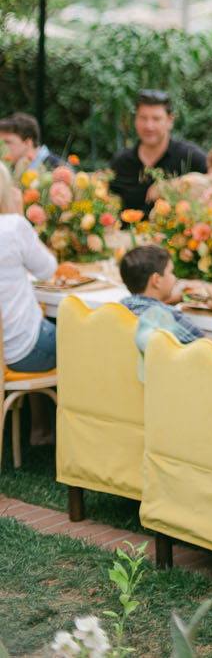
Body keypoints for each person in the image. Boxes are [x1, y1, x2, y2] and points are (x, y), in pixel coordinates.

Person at [0, 161, 58, 442]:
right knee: (82, 339)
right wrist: (18, 213)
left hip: (6, 349)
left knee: (37, 322)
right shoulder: (12, 226)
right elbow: (48, 269)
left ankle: (40, 427)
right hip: (21, 353)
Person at [110, 91, 208, 217]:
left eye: (156, 119)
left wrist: (174, 185)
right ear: (135, 120)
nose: (149, 126)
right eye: (143, 118)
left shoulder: (190, 156)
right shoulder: (120, 162)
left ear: (170, 121)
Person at [119, 244, 212, 347]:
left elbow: (147, 307)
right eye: (171, 272)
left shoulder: (122, 307)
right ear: (156, 280)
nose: (175, 278)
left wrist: (176, 299)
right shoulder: (172, 318)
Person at [0, 113, 66, 182]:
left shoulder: (60, 170)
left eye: (7, 142)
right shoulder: (9, 169)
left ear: (28, 143)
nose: (1, 147)